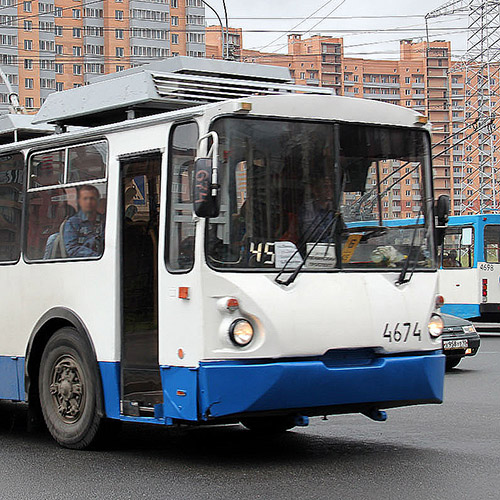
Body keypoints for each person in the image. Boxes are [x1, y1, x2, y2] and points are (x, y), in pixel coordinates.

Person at [64, 185, 105, 257]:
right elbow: (72, 249)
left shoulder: (105, 221)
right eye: (85, 199)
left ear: (98, 200)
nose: (89, 202)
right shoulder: (72, 223)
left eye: (92, 198)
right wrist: (96, 256)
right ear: (79, 201)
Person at [298, 175, 335, 243]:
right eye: (325, 187)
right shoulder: (308, 208)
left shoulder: (334, 208)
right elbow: (312, 236)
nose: (329, 190)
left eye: (331, 187)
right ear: (316, 190)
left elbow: (343, 232)